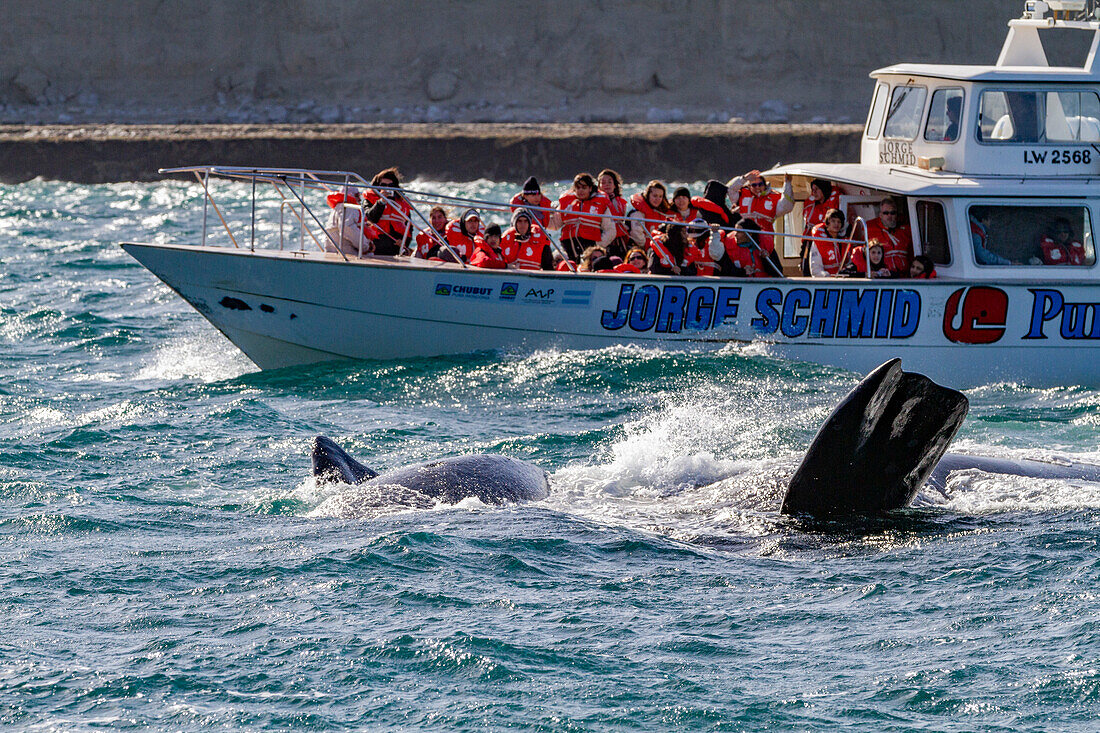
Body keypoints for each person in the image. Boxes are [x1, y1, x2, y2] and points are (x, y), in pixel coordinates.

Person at [726, 170, 794, 253]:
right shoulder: (742, 194)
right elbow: (731, 190)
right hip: (743, 238)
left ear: (765, 185)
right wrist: (744, 178)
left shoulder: (775, 197)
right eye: (754, 185)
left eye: (760, 184)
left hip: (764, 239)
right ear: (749, 186)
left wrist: (787, 184)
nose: (757, 187)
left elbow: (787, 206)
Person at [554, 172, 613, 261]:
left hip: (590, 249)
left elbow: (610, 230)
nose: (580, 190)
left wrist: (597, 246)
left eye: (584, 187)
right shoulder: (566, 203)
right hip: (568, 247)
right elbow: (555, 225)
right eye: (578, 188)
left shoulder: (601, 204)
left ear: (590, 188)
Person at [361, 167, 412, 256]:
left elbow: (409, 227)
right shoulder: (369, 200)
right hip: (375, 246)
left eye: (390, 186)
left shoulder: (402, 203)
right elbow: (370, 218)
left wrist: (404, 242)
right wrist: (381, 202)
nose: (387, 188)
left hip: (395, 248)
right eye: (383, 185)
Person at [801, 179, 841, 274]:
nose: (814, 192)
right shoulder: (812, 205)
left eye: (817, 189)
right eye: (812, 189)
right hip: (811, 242)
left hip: (828, 241)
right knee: (806, 269)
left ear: (824, 189)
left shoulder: (834, 204)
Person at [864, 197, 913, 275]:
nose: (889, 216)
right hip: (882, 275)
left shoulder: (906, 230)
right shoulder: (869, 228)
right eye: (886, 213)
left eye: (893, 213)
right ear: (880, 214)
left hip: (904, 276)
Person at [324, 185, 368, 256]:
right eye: (357, 195)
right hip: (347, 253)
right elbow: (347, 228)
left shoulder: (337, 208)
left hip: (332, 252)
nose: (360, 199)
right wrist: (365, 246)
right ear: (350, 195)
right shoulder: (350, 208)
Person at [598, 169, 631, 258]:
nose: (607, 185)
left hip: (620, 237)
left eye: (609, 182)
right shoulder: (597, 201)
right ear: (599, 186)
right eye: (603, 182)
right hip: (605, 235)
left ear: (615, 185)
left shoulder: (621, 202)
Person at [807, 209, 847, 277]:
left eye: (839, 222)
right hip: (825, 282)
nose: (836, 224)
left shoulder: (844, 241)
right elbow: (815, 269)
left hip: (843, 281)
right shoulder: (819, 241)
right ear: (827, 223)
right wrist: (828, 278)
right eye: (833, 221)